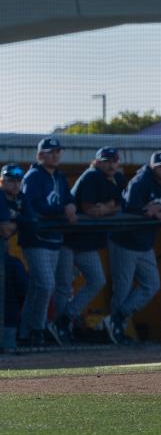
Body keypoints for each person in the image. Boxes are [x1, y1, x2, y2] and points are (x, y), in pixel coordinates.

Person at [111, 151, 161, 343]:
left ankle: (117, 318)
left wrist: (160, 210)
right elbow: (130, 208)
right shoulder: (140, 182)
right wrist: (147, 212)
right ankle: (115, 332)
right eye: (159, 167)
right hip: (125, 241)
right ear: (152, 167)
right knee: (122, 289)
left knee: (152, 284)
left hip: (145, 243)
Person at [58, 147, 123, 341]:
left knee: (97, 280)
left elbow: (121, 205)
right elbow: (90, 210)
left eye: (113, 161)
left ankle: (64, 320)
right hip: (68, 239)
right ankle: (59, 331)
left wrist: (107, 208)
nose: (110, 164)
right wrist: (109, 207)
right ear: (98, 162)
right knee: (63, 285)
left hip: (87, 242)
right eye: (106, 161)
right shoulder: (91, 176)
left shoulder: (118, 178)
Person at [19, 138, 76, 347]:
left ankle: (25, 333)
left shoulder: (59, 177)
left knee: (37, 288)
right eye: (50, 152)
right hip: (35, 239)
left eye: (57, 152)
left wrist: (70, 206)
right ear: (40, 155)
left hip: (54, 239)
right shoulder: (33, 177)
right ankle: (38, 329)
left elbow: (69, 198)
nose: (55, 155)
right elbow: (32, 206)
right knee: (46, 285)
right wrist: (62, 209)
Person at [1, 163, 36, 350]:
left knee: (19, 289)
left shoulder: (20, 198)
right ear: (1, 181)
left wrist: (16, 219)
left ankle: (9, 342)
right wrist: (19, 220)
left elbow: (33, 223)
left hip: (4, 256)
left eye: (17, 180)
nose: (15, 184)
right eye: (10, 180)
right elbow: (5, 230)